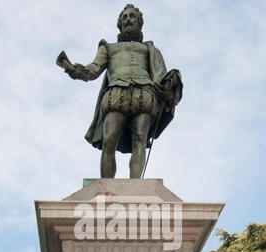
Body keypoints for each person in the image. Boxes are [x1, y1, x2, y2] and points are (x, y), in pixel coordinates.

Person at [65, 4, 183, 178]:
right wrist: (76, 70)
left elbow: (160, 75)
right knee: (109, 141)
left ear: (139, 22)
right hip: (116, 96)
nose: (128, 19)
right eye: (124, 17)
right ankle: (107, 187)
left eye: (132, 16)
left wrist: (170, 82)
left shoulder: (151, 49)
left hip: (145, 96)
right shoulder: (109, 48)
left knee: (140, 140)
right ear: (120, 23)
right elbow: (93, 70)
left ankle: (136, 185)